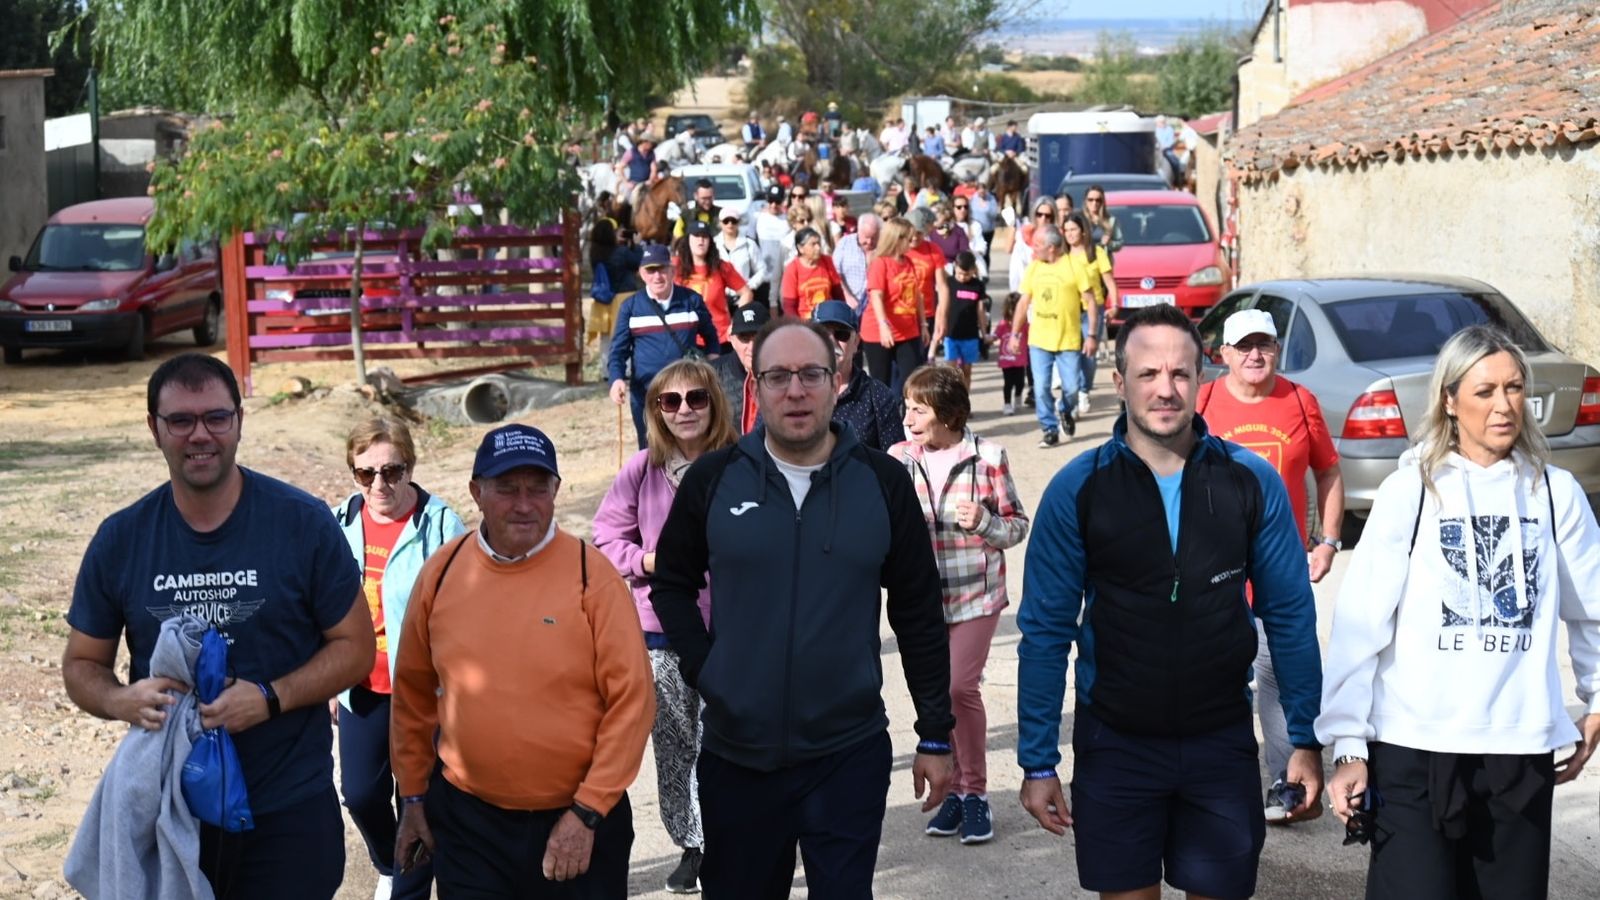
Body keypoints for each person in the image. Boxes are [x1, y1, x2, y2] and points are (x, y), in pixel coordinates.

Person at [1016, 303, 1326, 900]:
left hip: (1219, 743)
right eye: (1148, 375)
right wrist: (1036, 760)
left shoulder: (1248, 481)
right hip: (1117, 744)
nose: (1166, 389)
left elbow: (1288, 615)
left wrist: (1305, 738)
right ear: (1119, 384)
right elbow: (1047, 632)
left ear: (1201, 379)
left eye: (1181, 374)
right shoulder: (1078, 489)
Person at [649, 318, 955, 898]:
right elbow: (672, 584)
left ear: (837, 380)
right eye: (778, 376)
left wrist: (935, 733)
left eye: (811, 373)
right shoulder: (714, 479)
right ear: (754, 385)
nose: (795, 390)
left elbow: (917, 611)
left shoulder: (883, 482)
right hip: (738, 758)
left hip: (846, 754)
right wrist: (707, 668)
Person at [63, 353, 372, 899]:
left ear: (239, 422)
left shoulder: (301, 523)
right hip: (169, 811)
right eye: (180, 420)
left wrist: (270, 697)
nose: (199, 434)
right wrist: (120, 700)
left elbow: (355, 649)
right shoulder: (122, 538)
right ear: (154, 429)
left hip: (286, 809)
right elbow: (81, 664)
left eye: (215, 417)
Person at [1316, 325, 1600, 899]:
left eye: (1515, 388)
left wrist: (1598, 696)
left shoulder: (1555, 493)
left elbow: (1593, 608)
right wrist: (1348, 744)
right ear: (1449, 399)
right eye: (1484, 391)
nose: (1503, 405)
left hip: (1518, 752)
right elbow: (1358, 626)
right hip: (1412, 751)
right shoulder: (1412, 491)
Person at [391, 424, 655, 899]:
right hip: (470, 825)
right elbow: (411, 694)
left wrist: (588, 811)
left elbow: (632, 702)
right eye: (507, 488)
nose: (524, 503)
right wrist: (412, 797)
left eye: (539, 488)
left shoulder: (590, 574)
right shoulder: (443, 571)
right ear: (476, 492)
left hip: (579, 819)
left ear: (556, 491)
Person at [593, 360, 738, 894]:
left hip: (735, 628)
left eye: (696, 398)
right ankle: (693, 844)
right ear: (654, 409)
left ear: (714, 403)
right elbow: (606, 540)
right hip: (659, 630)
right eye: (669, 401)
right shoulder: (641, 468)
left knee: (729, 739)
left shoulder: (742, 463)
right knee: (676, 744)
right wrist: (651, 561)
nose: (683, 410)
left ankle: (734, 835)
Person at [1199, 308, 1344, 823]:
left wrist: (1327, 541)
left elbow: (1328, 472)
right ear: (1224, 356)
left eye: (1264, 345)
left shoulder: (1299, 401)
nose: (1255, 355)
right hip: (1215, 569)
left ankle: (1289, 786)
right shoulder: (1205, 401)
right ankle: (1225, 783)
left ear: (1277, 350)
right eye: (1243, 347)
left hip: (1279, 567)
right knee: (1221, 680)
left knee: (1280, 679)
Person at [887, 364, 1026, 845]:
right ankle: (951, 792)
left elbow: (1017, 525)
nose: (908, 418)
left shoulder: (989, 456)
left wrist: (986, 521)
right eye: (907, 408)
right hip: (921, 600)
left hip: (975, 596)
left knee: (957, 688)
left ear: (946, 413)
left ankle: (976, 795)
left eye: (918, 409)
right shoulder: (898, 458)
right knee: (935, 692)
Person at [332, 418, 467, 900]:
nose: (379, 485)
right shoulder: (339, 521)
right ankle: (389, 863)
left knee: (420, 801)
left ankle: (407, 886)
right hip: (360, 686)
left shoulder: (440, 524)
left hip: (421, 691)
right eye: (364, 473)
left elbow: (461, 611)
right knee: (362, 795)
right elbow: (320, 608)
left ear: (410, 467)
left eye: (391, 471)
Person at [609, 244, 722, 448]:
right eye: (650, 270)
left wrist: (714, 361)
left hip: (687, 397)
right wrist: (616, 379)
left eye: (662, 269)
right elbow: (618, 350)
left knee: (691, 449)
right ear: (642, 274)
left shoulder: (691, 300)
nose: (657, 276)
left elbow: (711, 336)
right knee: (652, 451)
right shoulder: (630, 307)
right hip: (646, 394)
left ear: (672, 270)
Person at [1008, 225, 1095, 448]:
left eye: (1038, 245)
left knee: (1072, 389)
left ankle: (1065, 410)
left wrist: (1092, 334)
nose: (1033, 249)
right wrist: (1014, 334)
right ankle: (1049, 428)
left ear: (1053, 248)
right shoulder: (1034, 268)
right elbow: (1023, 303)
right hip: (1039, 341)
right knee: (1041, 388)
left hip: (1068, 340)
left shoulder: (1074, 266)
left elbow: (1091, 301)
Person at [815, 300, 905, 451]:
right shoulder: (791, 391)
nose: (831, 341)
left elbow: (896, 462)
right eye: (822, 334)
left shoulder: (878, 396)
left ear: (856, 342)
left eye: (841, 334)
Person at [863, 217, 927, 395]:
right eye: (908, 238)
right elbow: (876, 295)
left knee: (913, 381)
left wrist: (923, 324)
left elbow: (917, 295)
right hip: (879, 331)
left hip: (908, 330)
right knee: (880, 384)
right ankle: (881, 422)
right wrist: (884, 325)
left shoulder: (909, 262)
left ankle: (909, 422)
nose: (912, 241)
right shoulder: (880, 263)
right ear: (896, 239)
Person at [1064, 212, 1118, 414]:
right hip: (1069, 311)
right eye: (1066, 230)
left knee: (1088, 355)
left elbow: (1110, 282)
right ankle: (1074, 391)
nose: (1069, 234)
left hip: (1092, 310)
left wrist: (1115, 304)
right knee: (1070, 354)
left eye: (1073, 229)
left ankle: (1084, 390)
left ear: (1083, 231)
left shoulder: (1096, 253)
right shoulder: (1063, 256)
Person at [674, 219, 753, 351]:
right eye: (696, 236)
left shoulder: (721, 267)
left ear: (710, 241)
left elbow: (746, 293)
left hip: (720, 337)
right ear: (688, 240)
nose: (701, 241)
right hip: (686, 337)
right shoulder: (676, 266)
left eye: (704, 237)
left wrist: (736, 322)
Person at [586, 218, 641, 353]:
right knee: (624, 337)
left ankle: (606, 371)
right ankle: (624, 371)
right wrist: (637, 245)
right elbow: (637, 262)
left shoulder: (594, 253)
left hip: (603, 301)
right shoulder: (621, 252)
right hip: (624, 298)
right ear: (610, 234)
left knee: (605, 338)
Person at [714, 302, 770, 435]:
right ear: (731, 340)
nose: (752, 347)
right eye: (744, 338)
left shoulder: (790, 375)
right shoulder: (712, 374)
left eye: (759, 338)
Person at [905, 208, 953, 358]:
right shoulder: (898, 249)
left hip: (926, 314)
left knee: (921, 361)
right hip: (902, 315)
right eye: (911, 233)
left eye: (919, 233)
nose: (914, 238)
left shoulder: (933, 250)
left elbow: (942, 287)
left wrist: (942, 317)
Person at [943, 252, 988, 389]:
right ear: (955, 267)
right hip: (951, 333)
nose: (962, 278)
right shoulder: (949, 283)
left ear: (973, 270)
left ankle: (964, 401)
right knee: (950, 371)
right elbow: (943, 307)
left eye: (967, 274)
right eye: (960, 274)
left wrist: (984, 332)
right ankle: (950, 402)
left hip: (970, 335)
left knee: (966, 371)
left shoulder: (978, 285)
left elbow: (980, 311)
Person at [781, 227, 845, 321]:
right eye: (813, 244)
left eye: (818, 243)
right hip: (805, 322)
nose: (818, 248)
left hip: (828, 320)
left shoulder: (827, 262)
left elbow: (838, 294)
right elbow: (789, 306)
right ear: (800, 248)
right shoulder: (792, 269)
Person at [714, 210, 769, 312]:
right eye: (726, 221)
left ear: (738, 222)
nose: (730, 224)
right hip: (721, 299)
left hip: (744, 298)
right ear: (720, 223)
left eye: (733, 221)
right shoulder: (714, 244)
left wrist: (748, 286)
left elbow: (762, 270)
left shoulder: (749, 244)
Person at [832, 212, 879, 316]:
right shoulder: (844, 244)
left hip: (874, 308)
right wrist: (847, 296)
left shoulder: (882, 247)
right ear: (859, 230)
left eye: (874, 237)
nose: (870, 242)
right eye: (866, 237)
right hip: (849, 304)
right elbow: (835, 273)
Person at [1008, 197, 1057, 295]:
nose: (1043, 218)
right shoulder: (1023, 236)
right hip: (1025, 291)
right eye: (1039, 215)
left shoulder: (1058, 238)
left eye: (1048, 216)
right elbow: (1015, 268)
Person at [994, 293, 1029, 415]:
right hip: (1006, 359)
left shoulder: (1025, 325)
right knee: (1008, 383)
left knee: (1020, 382)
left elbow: (1031, 336)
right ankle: (1007, 403)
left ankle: (1018, 396)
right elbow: (996, 335)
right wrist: (989, 338)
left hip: (1020, 359)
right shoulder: (1003, 324)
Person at [927, 201, 974, 281]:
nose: (931, 217)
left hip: (953, 270)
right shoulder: (929, 231)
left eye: (935, 213)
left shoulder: (958, 231)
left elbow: (965, 254)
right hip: (932, 269)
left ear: (945, 214)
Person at [952, 194, 991, 279]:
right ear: (953, 209)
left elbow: (982, 245)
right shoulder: (949, 226)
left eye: (965, 207)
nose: (963, 210)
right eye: (959, 207)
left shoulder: (975, 225)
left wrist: (973, 252)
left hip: (973, 265)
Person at [1082, 184, 1122, 253]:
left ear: (1102, 202)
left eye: (1098, 200)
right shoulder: (1080, 219)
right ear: (1085, 201)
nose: (1094, 203)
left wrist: (1109, 243)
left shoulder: (1111, 221)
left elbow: (1119, 243)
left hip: (1102, 261)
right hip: (1082, 261)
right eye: (1090, 200)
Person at [1155, 115, 1183, 185]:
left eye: (1163, 122)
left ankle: (1178, 181)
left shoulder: (1169, 129)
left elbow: (1171, 141)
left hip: (1167, 150)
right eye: (1160, 122)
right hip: (1157, 150)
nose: (1162, 123)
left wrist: (1164, 147)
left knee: (1175, 162)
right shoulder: (1155, 130)